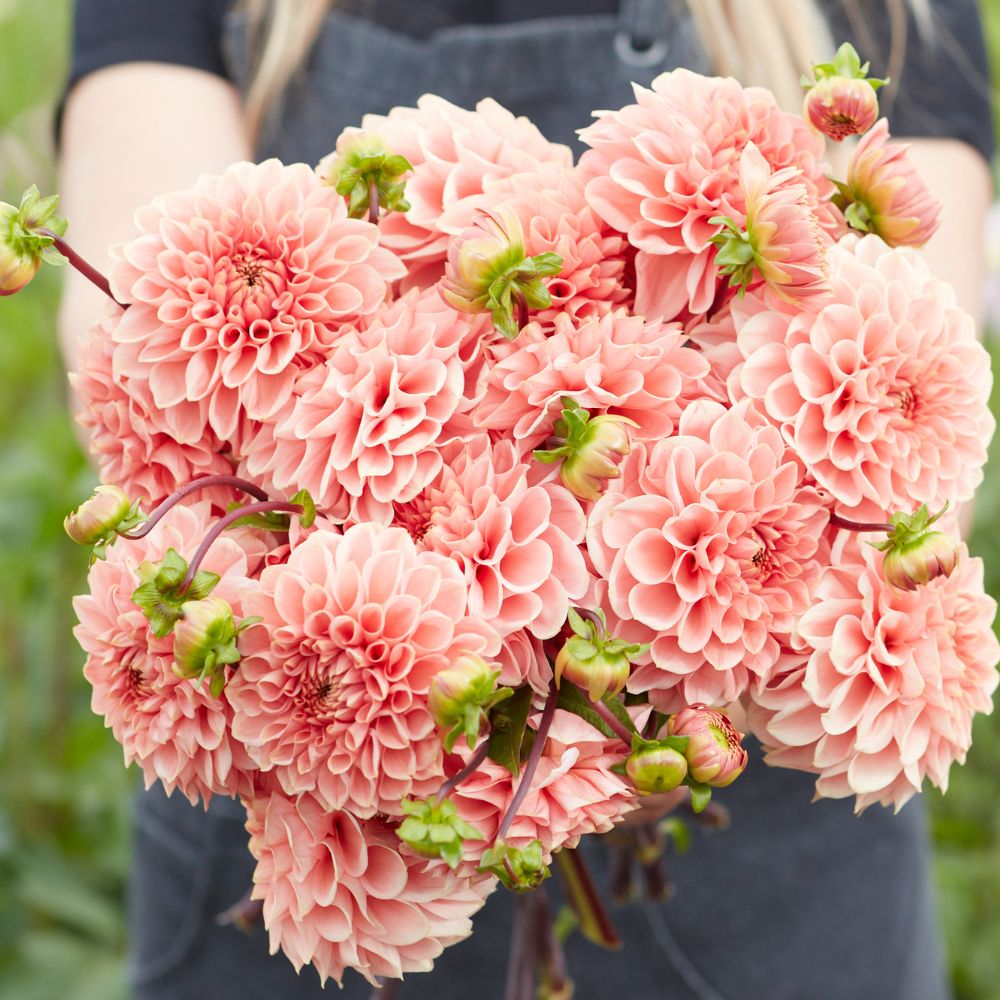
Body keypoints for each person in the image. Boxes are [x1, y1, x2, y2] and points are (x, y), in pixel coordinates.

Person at [58, 2, 994, 998]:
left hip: (771, 902)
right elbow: (131, 305)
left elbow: (918, 400)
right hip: (288, 818)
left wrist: (631, 713)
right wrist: (376, 665)